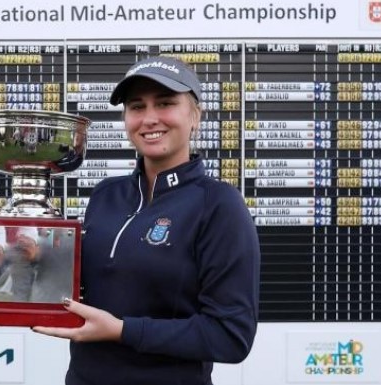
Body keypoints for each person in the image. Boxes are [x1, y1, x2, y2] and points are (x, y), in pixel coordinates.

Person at [32, 56, 261, 385]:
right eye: (137, 106)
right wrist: (24, 262)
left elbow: (230, 336)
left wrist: (122, 331)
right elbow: (80, 290)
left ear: (195, 116)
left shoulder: (219, 205)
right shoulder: (105, 195)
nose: (150, 118)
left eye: (165, 103)